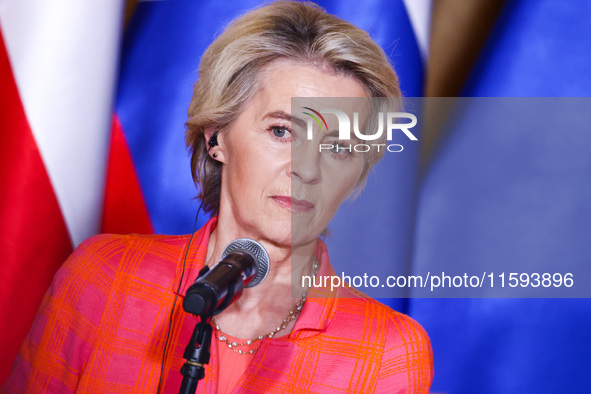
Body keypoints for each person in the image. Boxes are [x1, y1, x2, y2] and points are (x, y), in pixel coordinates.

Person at [2, 1, 433, 393]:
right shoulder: (102, 278)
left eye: (338, 148)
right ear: (216, 137)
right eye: (282, 131)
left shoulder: (388, 353)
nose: (308, 169)